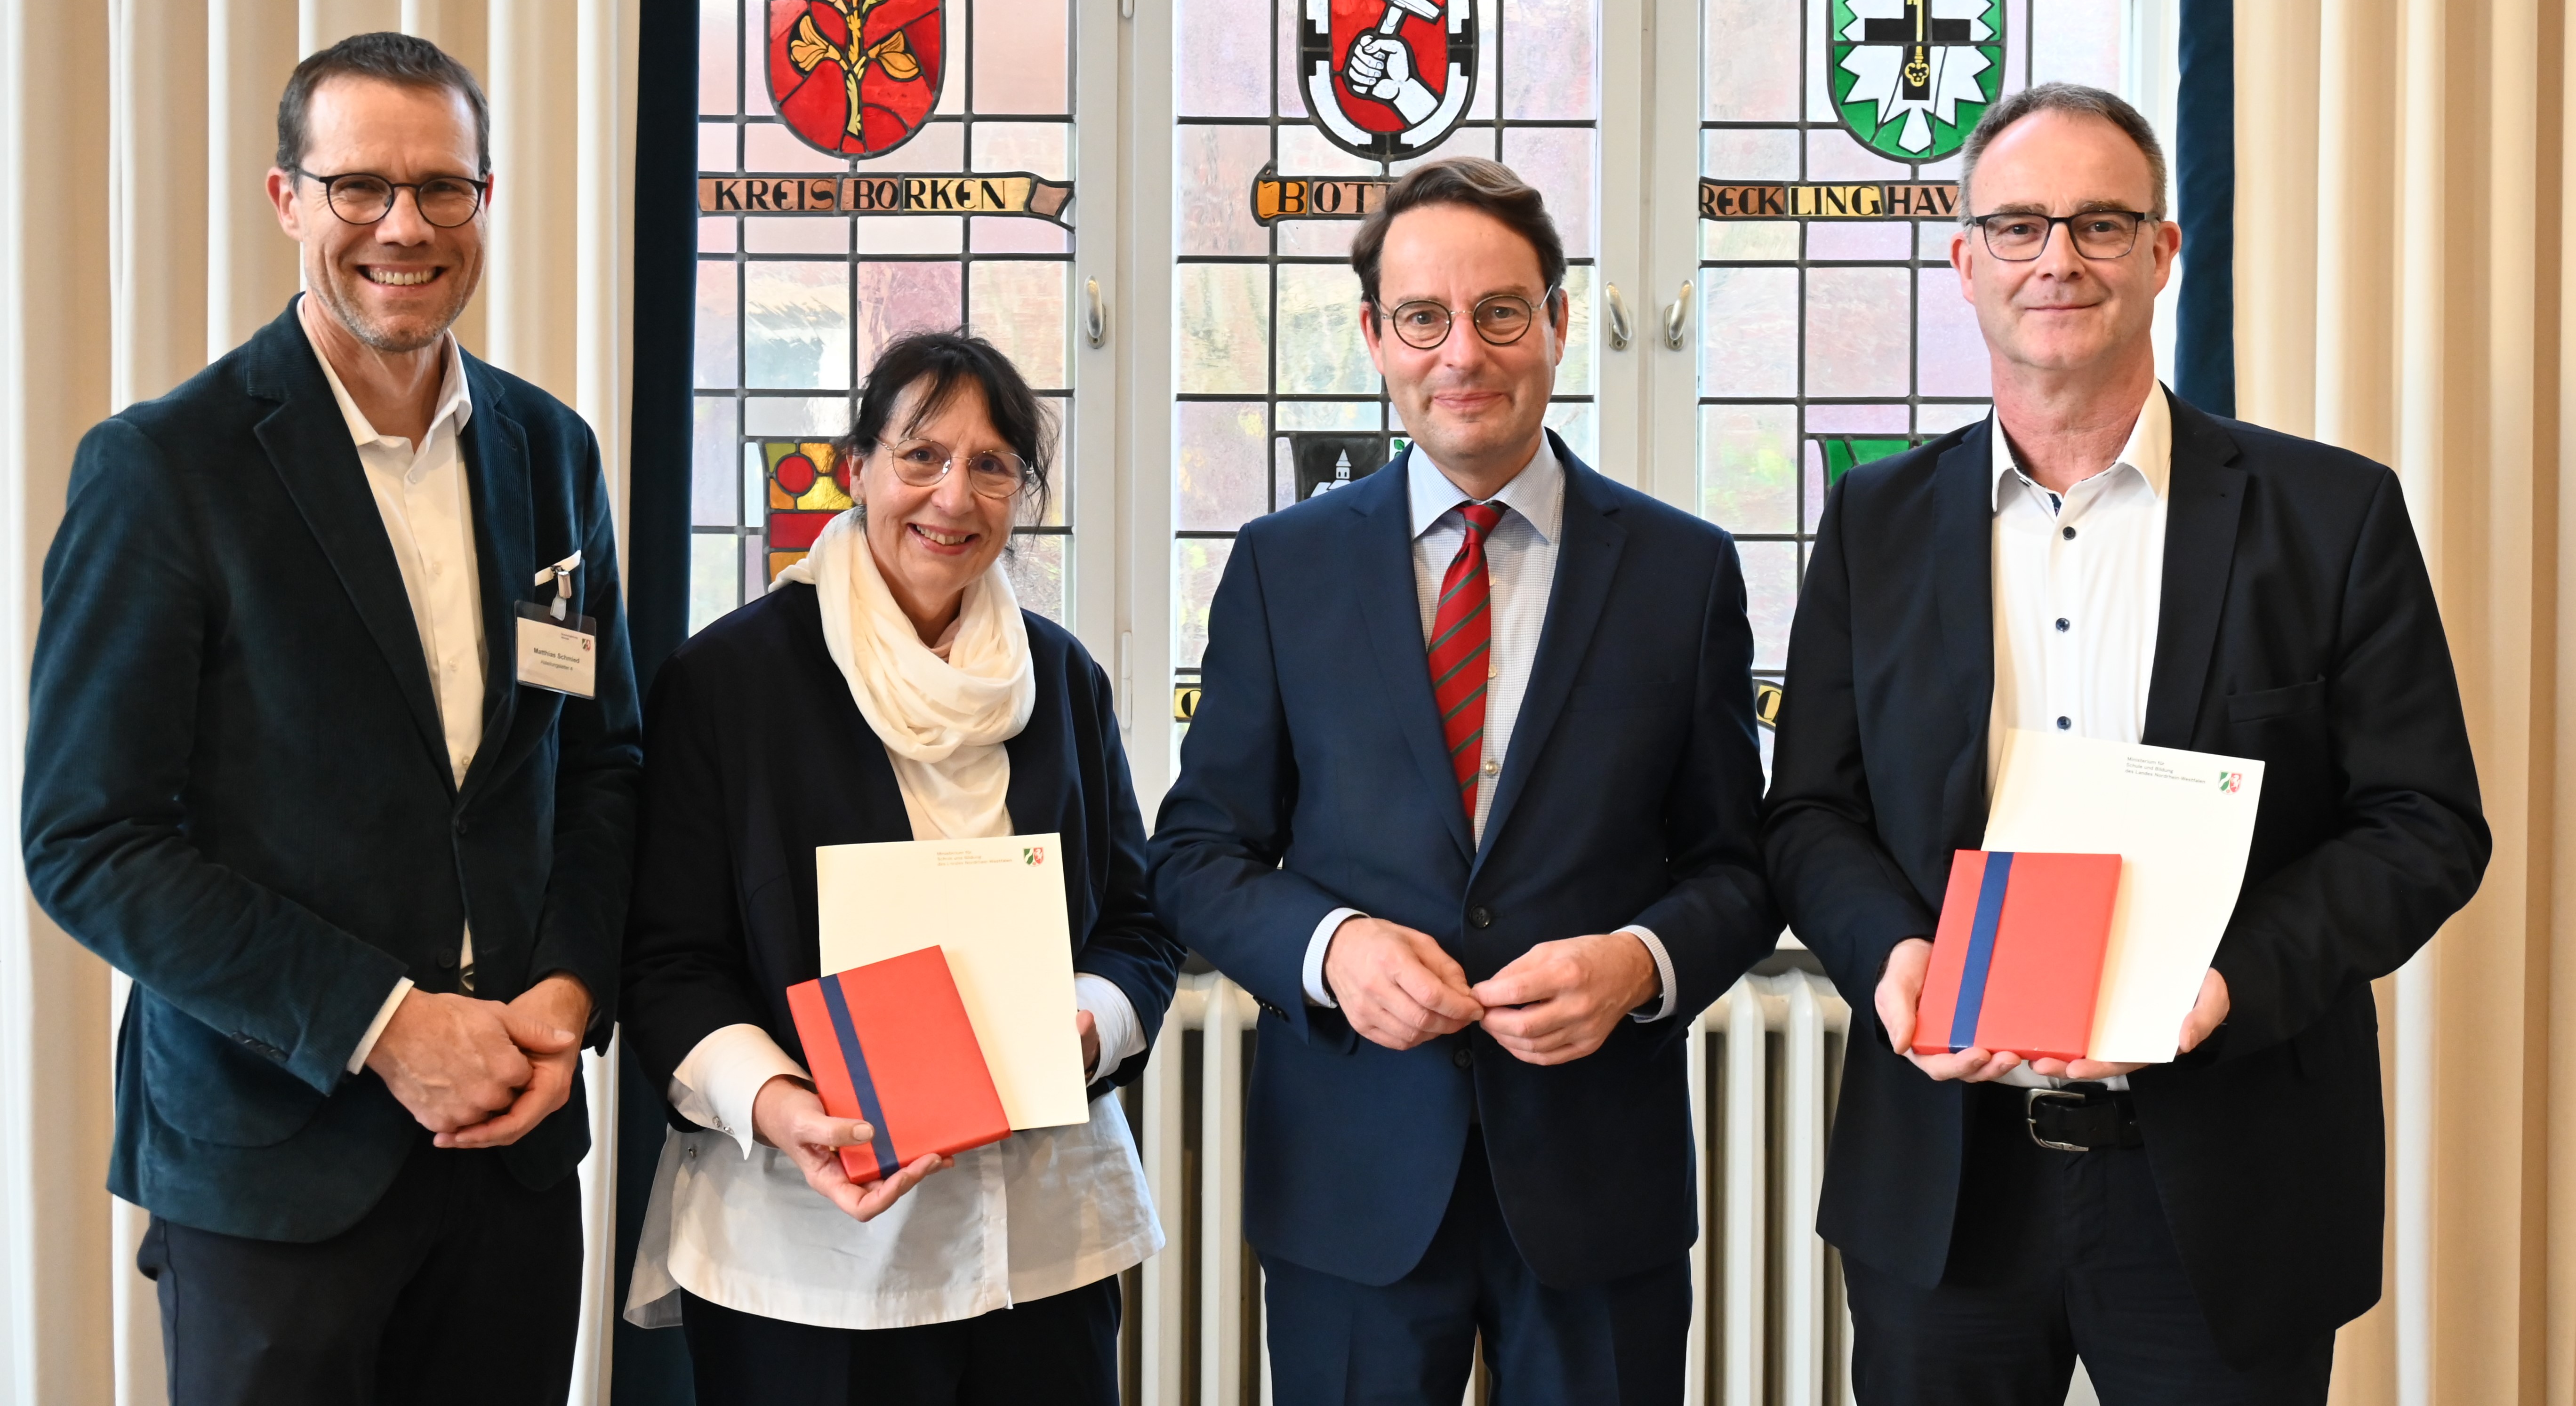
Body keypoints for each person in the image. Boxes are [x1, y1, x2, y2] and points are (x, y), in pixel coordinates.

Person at [1764, 82, 2491, 1404]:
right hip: (1946, 1176)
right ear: (1965, 260)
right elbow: (1810, 812)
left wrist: (2225, 985)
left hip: (2228, 1171)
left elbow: (2423, 823)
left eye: (2100, 224)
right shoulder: (1872, 523)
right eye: (2019, 225)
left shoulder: (2330, 514)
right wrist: (1893, 958)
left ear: (2162, 252)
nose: (2058, 259)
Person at [18, 32, 643, 1405]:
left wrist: (567, 994)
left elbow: (603, 760)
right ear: (287, 199)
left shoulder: (552, 451)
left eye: (442, 187)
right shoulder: (162, 469)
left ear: (486, 198)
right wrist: (386, 1024)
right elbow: (88, 839)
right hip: (272, 1167)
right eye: (359, 185)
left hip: (515, 1154)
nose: (403, 227)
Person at [1148, 158, 1778, 1404]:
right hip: (1350, 1182)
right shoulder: (1280, 568)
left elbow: (1739, 869)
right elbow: (1196, 855)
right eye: (1422, 317)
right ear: (1375, 336)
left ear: (1557, 321)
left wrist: (1637, 964)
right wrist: (1331, 948)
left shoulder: (1683, 572)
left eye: (1499, 313)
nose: (1462, 354)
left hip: (1598, 1179)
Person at [619, 330, 1180, 1405]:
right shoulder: (728, 681)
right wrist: (778, 1102)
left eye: (991, 466)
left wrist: (1086, 1024)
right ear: (857, 468)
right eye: (921, 455)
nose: (952, 496)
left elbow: (1138, 923)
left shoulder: (1063, 677)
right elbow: (668, 959)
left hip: (1040, 1242)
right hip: (808, 1249)